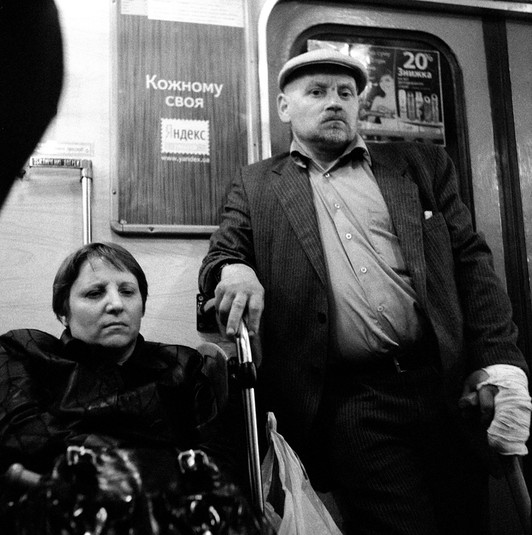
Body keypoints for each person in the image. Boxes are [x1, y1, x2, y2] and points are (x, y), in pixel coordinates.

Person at [198, 48, 531, 534]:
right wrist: (234, 269)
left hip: (446, 386)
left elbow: (471, 264)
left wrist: (502, 362)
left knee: (467, 523)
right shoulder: (257, 184)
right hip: (353, 401)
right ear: (285, 107)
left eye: (345, 93)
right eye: (317, 92)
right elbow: (220, 256)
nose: (334, 102)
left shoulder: (421, 166)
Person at [0, 242, 253, 532]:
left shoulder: (183, 366)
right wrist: (144, 466)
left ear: (142, 305)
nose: (116, 304)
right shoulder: (24, 351)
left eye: (127, 291)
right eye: (95, 293)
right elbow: (22, 436)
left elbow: (218, 462)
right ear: (63, 310)